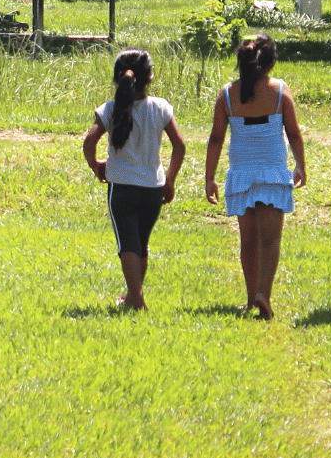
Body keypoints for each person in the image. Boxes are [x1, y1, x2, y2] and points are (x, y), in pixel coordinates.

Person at [203, 34, 307, 320]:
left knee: (248, 241)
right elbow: (294, 134)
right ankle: (264, 294)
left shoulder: (227, 94)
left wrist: (209, 177)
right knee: (270, 240)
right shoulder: (280, 91)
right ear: (271, 62)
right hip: (273, 172)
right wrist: (301, 165)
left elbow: (215, 139)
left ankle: (251, 298)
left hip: (242, 175)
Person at [82, 48, 186, 311]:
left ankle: (136, 299)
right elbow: (179, 146)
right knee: (141, 243)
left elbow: (89, 142)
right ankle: (133, 296)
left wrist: (96, 167)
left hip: (122, 187)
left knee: (126, 243)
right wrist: (170, 180)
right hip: (153, 187)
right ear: (150, 78)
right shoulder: (161, 108)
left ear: (117, 79)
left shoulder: (109, 109)